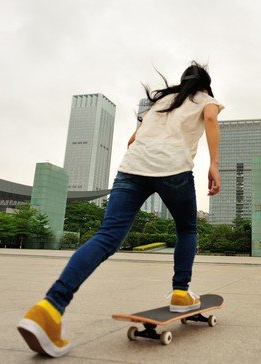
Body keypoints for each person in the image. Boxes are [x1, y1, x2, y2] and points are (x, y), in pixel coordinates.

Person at [17, 61, 224, 357]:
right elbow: (212, 121)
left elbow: (132, 140)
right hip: (173, 169)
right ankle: (181, 291)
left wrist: (137, 171)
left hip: (133, 168)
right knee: (186, 228)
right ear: (205, 85)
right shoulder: (206, 99)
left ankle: (49, 308)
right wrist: (214, 165)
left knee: (106, 236)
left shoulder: (159, 103)